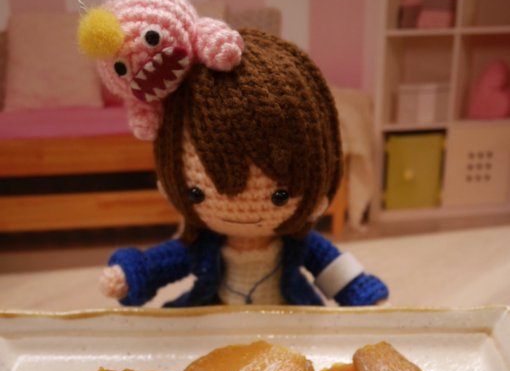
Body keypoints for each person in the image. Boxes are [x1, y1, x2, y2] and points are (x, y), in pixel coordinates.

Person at [100, 28, 388, 307]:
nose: (240, 212)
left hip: (285, 319)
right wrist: (133, 274)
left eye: (279, 196)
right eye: (197, 194)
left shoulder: (297, 243)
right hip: (221, 318)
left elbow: (331, 267)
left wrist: (358, 291)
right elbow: (160, 264)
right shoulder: (203, 245)